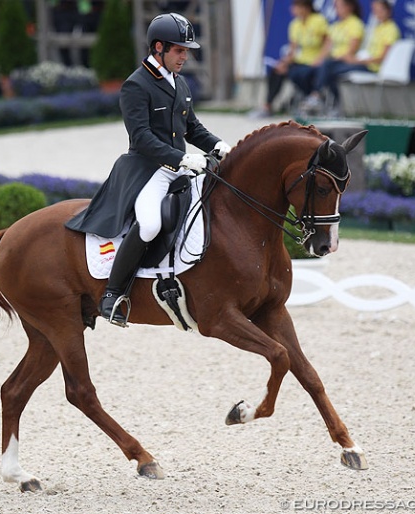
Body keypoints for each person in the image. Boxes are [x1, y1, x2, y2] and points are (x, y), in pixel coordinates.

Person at [66, 12, 231, 327]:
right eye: (179, 50)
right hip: (146, 170)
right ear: (159, 48)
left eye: (186, 50)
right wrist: (182, 159)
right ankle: (113, 295)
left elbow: (192, 129)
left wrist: (218, 146)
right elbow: (141, 138)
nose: (185, 56)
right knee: (152, 224)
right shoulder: (136, 85)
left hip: (178, 168)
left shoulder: (179, 82)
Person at [252, 0, 328, 117]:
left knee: (297, 73)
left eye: (295, 7)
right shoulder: (295, 24)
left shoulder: (318, 20)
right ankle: (268, 106)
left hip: (315, 63)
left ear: (305, 7)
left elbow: (327, 43)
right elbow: (293, 49)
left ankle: (311, 97)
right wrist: (284, 63)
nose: (292, 10)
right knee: (277, 71)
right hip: (300, 61)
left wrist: (320, 59)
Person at [300, 0, 365, 115]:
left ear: (349, 7)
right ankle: (332, 103)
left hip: (349, 62)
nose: (336, 10)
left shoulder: (355, 24)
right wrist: (319, 59)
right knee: (324, 67)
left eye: (338, 6)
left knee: (328, 68)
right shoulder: (336, 25)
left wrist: (335, 58)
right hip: (334, 63)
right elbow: (327, 47)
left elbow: (352, 50)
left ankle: (316, 96)